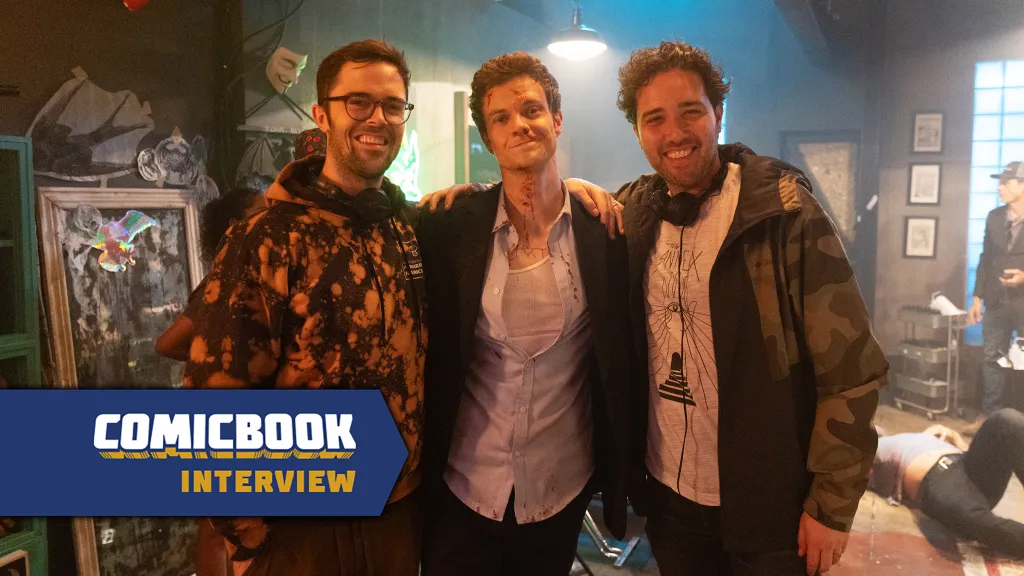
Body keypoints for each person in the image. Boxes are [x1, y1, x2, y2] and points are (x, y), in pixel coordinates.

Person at [609, 42, 888, 576]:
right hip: (670, 501)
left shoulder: (782, 213)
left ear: (718, 112)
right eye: (654, 119)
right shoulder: (632, 214)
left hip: (772, 506)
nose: (674, 133)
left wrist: (831, 505)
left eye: (690, 111)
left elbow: (851, 372)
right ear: (638, 130)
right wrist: (476, 198)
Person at [184, 39, 426, 576]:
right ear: (322, 114)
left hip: (396, 514)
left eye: (392, 105)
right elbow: (216, 394)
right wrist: (247, 538)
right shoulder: (267, 236)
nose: (377, 118)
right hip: (301, 525)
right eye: (358, 102)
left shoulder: (402, 228)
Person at [416, 52, 642, 576]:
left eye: (532, 110)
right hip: (462, 488)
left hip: (558, 494)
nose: (519, 125)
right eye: (501, 118)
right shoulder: (448, 227)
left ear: (556, 120)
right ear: (488, 138)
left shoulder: (605, 230)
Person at [870, 410, 1024, 557]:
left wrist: (955, 437)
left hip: (965, 466)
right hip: (940, 480)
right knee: (969, 518)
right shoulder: (880, 446)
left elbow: (974, 452)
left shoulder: (917, 436)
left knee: (1005, 420)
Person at [154, 187, 265, 361]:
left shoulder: (252, 272)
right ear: (236, 225)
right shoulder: (227, 280)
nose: (270, 219)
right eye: (262, 212)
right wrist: (222, 363)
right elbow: (166, 345)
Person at [967, 161, 1024, 419]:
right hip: (995, 300)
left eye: (1006, 182)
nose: (1000, 187)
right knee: (992, 359)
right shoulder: (994, 216)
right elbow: (985, 258)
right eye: (1000, 182)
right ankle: (991, 418)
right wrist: (976, 297)